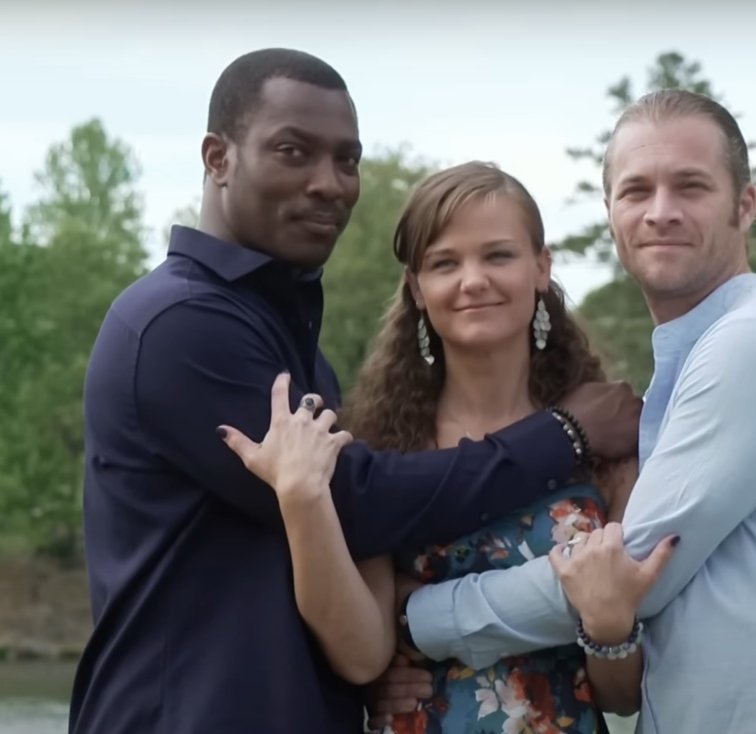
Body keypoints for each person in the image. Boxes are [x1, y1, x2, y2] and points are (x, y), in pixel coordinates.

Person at [67, 49, 641, 734]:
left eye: (347, 160)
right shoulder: (178, 326)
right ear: (218, 158)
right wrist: (562, 434)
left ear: (542, 270)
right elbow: (354, 502)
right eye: (293, 151)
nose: (328, 183)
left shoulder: (288, 345)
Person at [368, 89, 756, 733]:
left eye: (690, 187)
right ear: (611, 215)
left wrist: (416, 619)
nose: (661, 212)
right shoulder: (685, 371)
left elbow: (631, 569)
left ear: (745, 206)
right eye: (636, 192)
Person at [219, 161, 678, 734]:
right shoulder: (381, 450)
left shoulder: (610, 443)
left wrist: (609, 626)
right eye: (444, 263)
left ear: (541, 267)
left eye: (498, 255)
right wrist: (302, 495)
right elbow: (362, 654)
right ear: (416, 287)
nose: (473, 280)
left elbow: (621, 692)